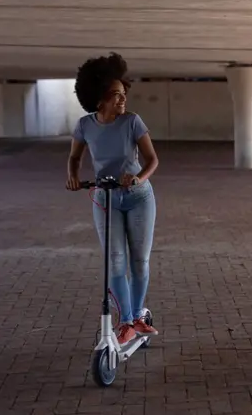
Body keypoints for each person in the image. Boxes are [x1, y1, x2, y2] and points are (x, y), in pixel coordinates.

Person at [65, 52, 160, 345]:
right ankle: (128, 321)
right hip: (105, 199)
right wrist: (72, 175)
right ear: (98, 99)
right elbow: (74, 157)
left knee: (139, 261)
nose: (122, 99)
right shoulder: (85, 125)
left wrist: (137, 178)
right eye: (115, 95)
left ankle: (136, 317)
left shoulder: (132, 122)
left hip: (138, 198)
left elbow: (152, 160)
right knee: (115, 263)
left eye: (123, 93)